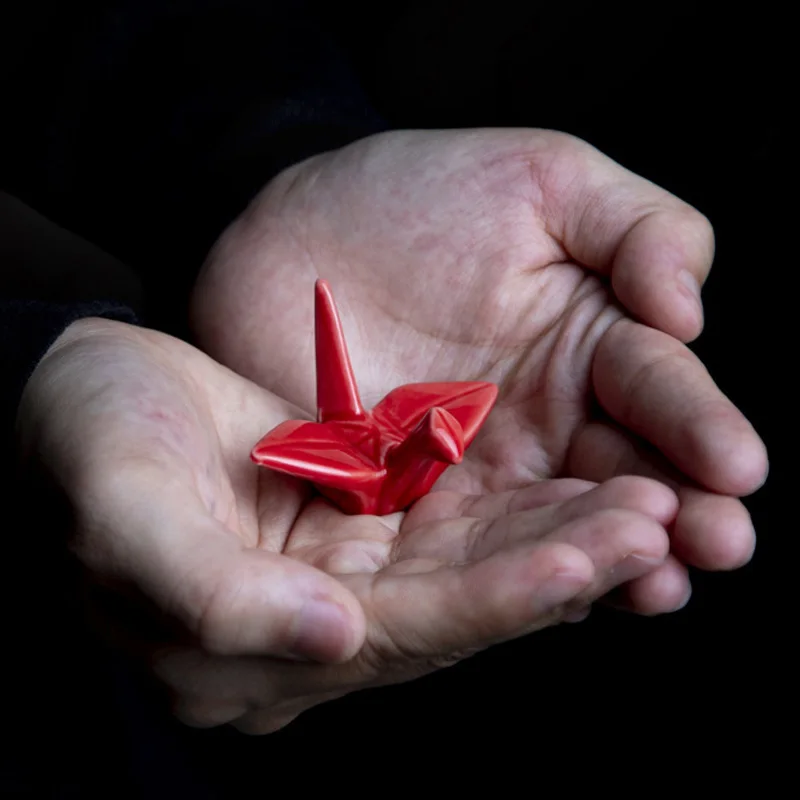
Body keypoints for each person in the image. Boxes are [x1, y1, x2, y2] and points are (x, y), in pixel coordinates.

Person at [1, 0, 769, 793]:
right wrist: (30, 359)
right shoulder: (358, 447)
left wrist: (269, 153)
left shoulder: (425, 422)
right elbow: (308, 445)